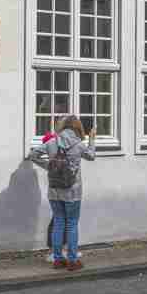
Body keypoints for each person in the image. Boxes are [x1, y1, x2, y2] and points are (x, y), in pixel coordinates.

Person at [29, 115, 95, 271]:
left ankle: (58, 259)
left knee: (58, 222)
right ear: (77, 128)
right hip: (73, 191)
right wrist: (92, 139)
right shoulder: (78, 145)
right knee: (72, 224)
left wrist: (49, 166)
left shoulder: (51, 142)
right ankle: (72, 260)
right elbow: (91, 156)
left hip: (54, 190)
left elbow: (32, 155)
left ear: (63, 127)